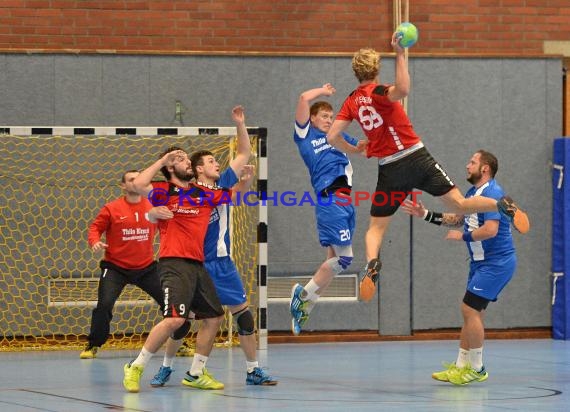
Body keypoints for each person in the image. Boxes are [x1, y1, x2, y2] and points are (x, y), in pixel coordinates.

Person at [326, 34, 529, 302]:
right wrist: (400, 53)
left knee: (375, 229)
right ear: (376, 70)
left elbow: (331, 137)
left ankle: (373, 264)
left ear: (355, 72)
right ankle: (500, 205)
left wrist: (355, 148)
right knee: (458, 203)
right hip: (416, 158)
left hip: (390, 170)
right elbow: (403, 89)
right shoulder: (378, 92)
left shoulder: (351, 102)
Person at [150, 106, 277, 387]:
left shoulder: (222, 185)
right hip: (193, 264)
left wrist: (240, 124)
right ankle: (166, 367)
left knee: (243, 317)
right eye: (210, 161)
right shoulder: (185, 190)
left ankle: (252, 369)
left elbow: (244, 153)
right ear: (197, 169)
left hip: (222, 262)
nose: (217, 164)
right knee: (181, 322)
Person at [400, 150, 517, 385]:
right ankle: (461, 366)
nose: (467, 165)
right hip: (480, 263)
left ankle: (477, 368)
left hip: (497, 263)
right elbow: (460, 219)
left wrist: (462, 238)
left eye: (472, 162)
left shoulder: (493, 193)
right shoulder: (474, 193)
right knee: (472, 313)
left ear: (485, 168)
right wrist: (425, 214)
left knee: (469, 309)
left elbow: (491, 230)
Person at [122, 147, 231, 393]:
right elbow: (139, 184)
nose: (186, 161)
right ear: (170, 167)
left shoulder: (201, 193)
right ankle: (136, 366)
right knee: (175, 319)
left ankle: (195, 372)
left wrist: (244, 179)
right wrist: (162, 159)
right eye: (180, 159)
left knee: (214, 317)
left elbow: (230, 195)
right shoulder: (162, 191)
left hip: (197, 264)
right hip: (174, 263)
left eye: (186, 157)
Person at [288, 84, 365, 336]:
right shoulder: (305, 136)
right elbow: (302, 97)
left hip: (345, 201)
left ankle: (305, 306)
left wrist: (378, 138)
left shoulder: (336, 137)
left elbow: (360, 147)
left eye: (332, 117)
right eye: (324, 116)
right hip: (330, 199)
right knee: (343, 259)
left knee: (332, 258)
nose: (329, 120)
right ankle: (303, 295)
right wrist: (321, 91)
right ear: (312, 118)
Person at [80, 170, 163, 359]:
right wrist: (95, 241)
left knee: (171, 303)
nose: (136, 182)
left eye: (138, 179)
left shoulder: (153, 206)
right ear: (123, 186)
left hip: (147, 268)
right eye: (131, 180)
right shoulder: (112, 208)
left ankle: (179, 341)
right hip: (115, 268)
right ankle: (93, 344)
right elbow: (95, 228)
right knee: (104, 305)